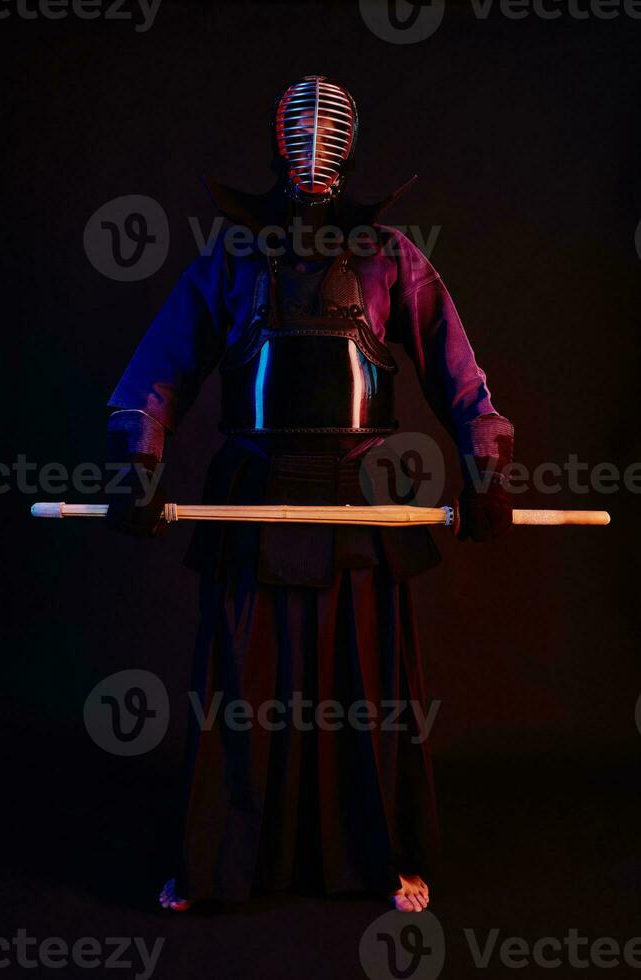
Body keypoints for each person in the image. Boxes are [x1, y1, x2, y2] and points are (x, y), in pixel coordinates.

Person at [105, 75, 514, 913]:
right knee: (240, 692)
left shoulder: (394, 257)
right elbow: (159, 370)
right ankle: (218, 860)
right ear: (276, 145)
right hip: (252, 500)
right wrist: (138, 463)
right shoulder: (231, 257)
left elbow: (458, 371)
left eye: (329, 132)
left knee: (366, 691)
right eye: (300, 131)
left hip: (359, 502)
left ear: (352, 148)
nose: (313, 144)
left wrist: (485, 465)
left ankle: (383, 858)